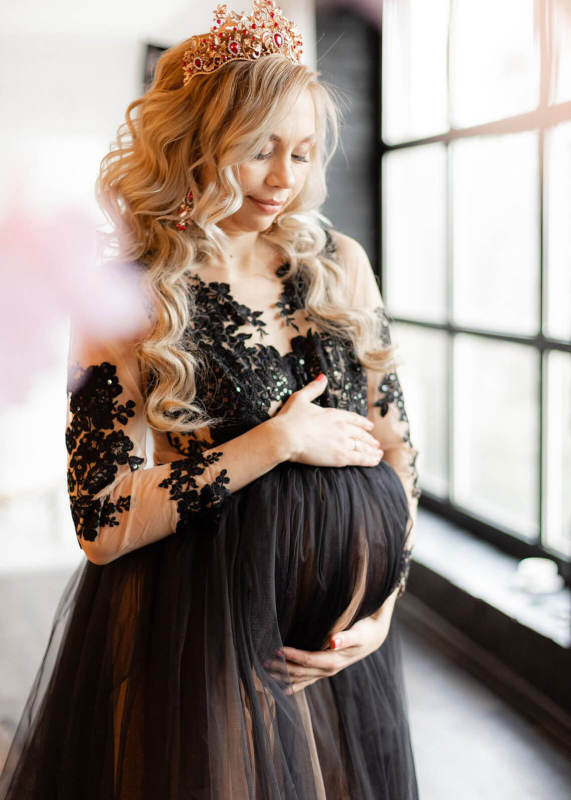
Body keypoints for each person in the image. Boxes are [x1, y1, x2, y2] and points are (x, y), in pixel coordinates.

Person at [0, 1, 421, 797]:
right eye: (258, 150)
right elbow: (101, 519)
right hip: (199, 627)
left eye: (300, 152)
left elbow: (396, 444)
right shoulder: (127, 296)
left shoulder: (337, 262)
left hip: (333, 640)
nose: (283, 179)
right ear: (195, 143)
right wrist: (275, 441)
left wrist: (384, 606)